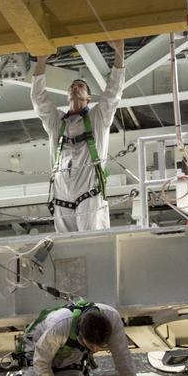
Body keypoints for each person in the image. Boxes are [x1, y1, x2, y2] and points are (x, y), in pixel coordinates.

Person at [31, 41, 125, 233]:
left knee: (93, 244)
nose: (75, 87)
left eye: (80, 85)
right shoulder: (57, 123)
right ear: (67, 95)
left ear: (88, 97)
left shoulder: (98, 118)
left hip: (89, 196)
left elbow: (113, 92)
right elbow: (38, 99)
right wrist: (41, 61)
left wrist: (120, 52)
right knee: (67, 250)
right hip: (62, 199)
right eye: (73, 85)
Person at [0, 301, 139, 376]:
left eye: (100, 347)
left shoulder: (113, 320)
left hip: (68, 354)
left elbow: (123, 358)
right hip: (37, 348)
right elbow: (41, 361)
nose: (95, 350)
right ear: (81, 333)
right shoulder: (60, 325)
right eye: (92, 346)